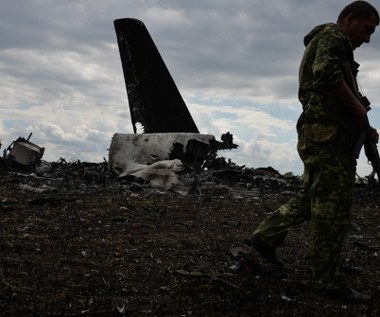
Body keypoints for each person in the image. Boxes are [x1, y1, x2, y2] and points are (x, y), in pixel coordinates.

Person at [246, 1, 379, 303]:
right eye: (367, 29)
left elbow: (337, 86)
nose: (368, 39)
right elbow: (327, 75)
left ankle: (265, 236)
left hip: (322, 131)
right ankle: (327, 280)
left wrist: (363, 123)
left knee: (311, 197)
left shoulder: (334, 44)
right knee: (332, 208)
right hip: (329, 135)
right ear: (350, 19)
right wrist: (357, 110)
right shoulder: (334, 35)